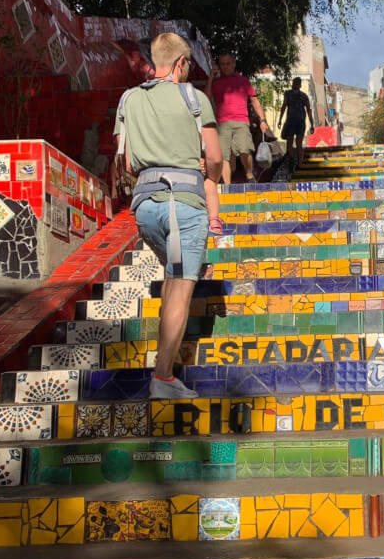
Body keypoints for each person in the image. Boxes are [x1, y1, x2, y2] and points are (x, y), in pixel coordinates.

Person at [114, 32, 222, 399]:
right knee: (180, 288)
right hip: (185, 206)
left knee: (172, 280)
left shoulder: (128, 99)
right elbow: (217, 159)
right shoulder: (195, 98)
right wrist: (205, 170)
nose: (190, 70)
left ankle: (164, 370)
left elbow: (125, 162)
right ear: (179, 63)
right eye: (189, 63)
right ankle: (162, 378)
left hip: (145, 208)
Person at [205, 52, 269, 183]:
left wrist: (262, 120)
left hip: (241, 121)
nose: (225, 67)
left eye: (228, 63)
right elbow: (206, 97)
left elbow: (255, 101)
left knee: (245, 149)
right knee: (224, 156)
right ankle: (227, 186)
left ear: (234, 64)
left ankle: (250, 174)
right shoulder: (216, 83)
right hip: (222, 123)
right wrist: (211, 77)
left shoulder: (243, 81)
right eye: (222, 64)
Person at [278, 77, 314, 169]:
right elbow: (309, 111)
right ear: (300, 85)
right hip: (301, 121)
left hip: (291, 121)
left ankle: (291, 159)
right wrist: (312, 124)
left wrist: (280, 120)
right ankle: (300, 164)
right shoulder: (304, 96)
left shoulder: (288, 94)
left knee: (290, 142)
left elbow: (284, 106)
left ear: (293, 84)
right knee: (299, 143)